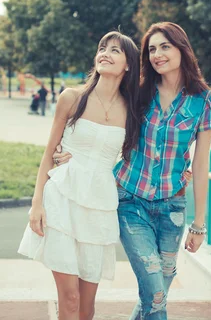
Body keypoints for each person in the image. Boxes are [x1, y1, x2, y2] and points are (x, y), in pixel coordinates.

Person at [53, 22, 211, 319]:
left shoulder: (204, 101)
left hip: (173, 208)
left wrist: (199, 223)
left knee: (156, 294)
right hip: (131, 201)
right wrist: (71, 154)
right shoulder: (139, 94)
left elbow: (201, 162)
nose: (157, 54)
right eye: (152, 49)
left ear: (182, 49)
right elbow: (103, 124)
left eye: (165, 46)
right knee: (155, 292)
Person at [18, 31, 141, 320]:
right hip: (62, 198)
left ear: (128, 64)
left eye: (115, 50)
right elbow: (49, 153)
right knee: (70, 299)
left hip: (99, 204)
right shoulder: (72, 98)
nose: (105, 53)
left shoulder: (133, 111)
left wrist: (182, 171)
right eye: (102, 48)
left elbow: (140, 157)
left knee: (87, 307)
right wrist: (37, 204)